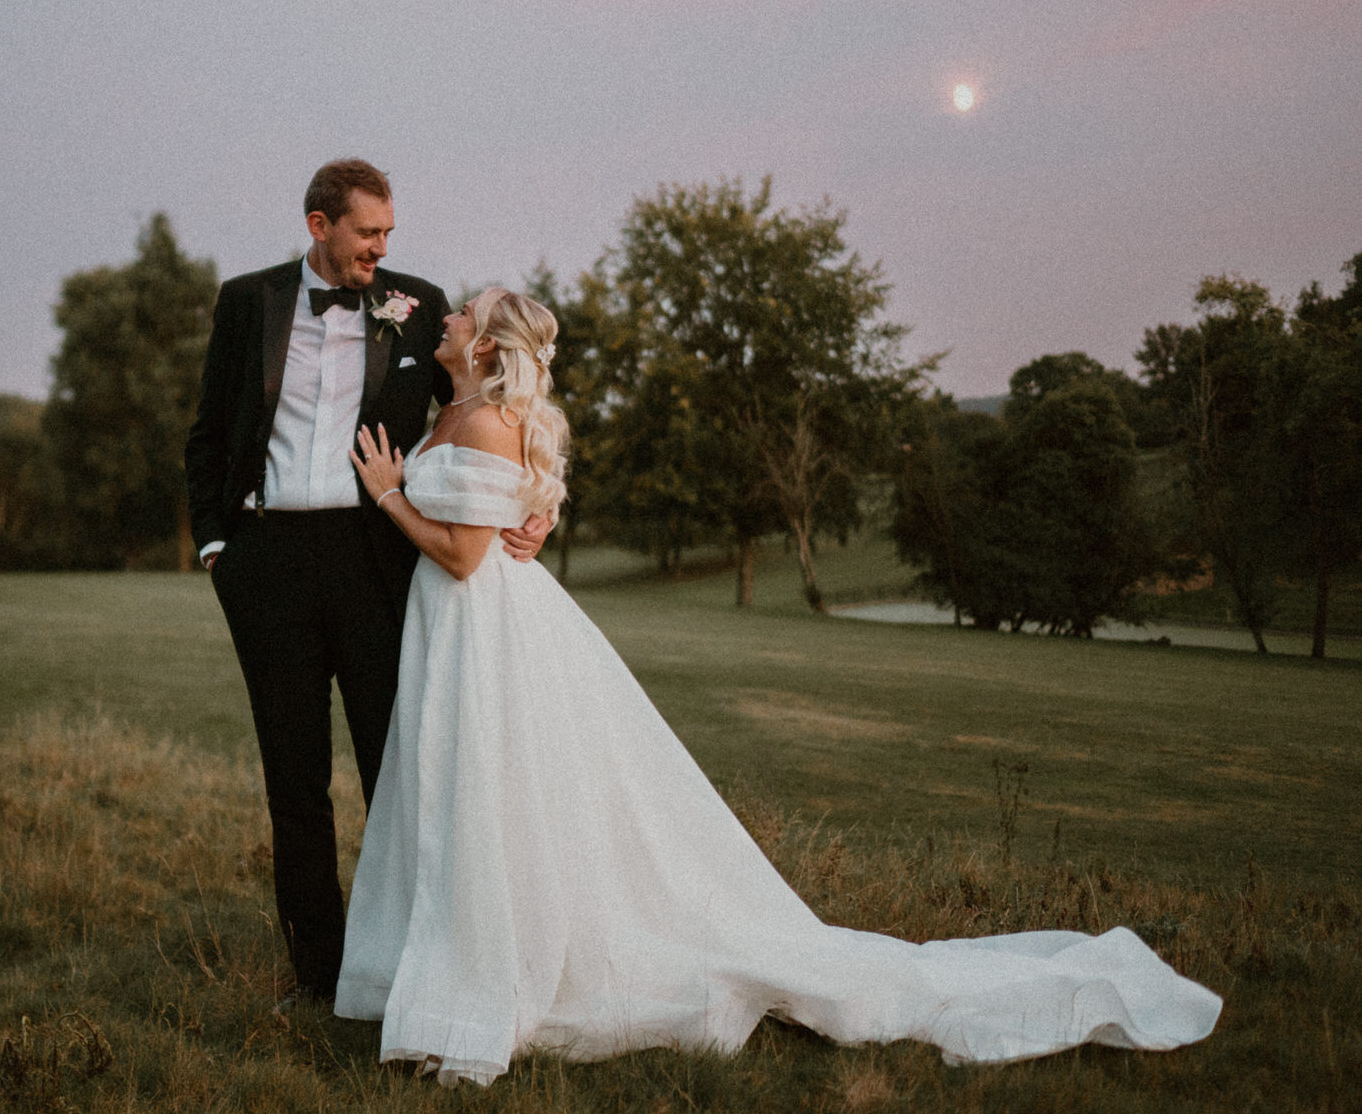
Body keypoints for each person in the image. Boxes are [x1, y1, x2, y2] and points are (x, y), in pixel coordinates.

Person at [335, 287, 1222, 1087]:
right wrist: (540, 498)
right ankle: (447, 964)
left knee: (490, 795)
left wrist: (388, 495)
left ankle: (490, 978)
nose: (446, 316)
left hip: (484, 630)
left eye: (464, 314)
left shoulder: (486, 424)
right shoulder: (458, 410)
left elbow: (462, 554)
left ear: (487, 346)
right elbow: (513, 492)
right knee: (458, 794)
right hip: (457, 633)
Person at [184, 161, 551, 1005]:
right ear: (320, 227)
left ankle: (418, 966)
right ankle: (319, 979)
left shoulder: (417, 305)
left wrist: (541, 504)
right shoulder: (248, 302)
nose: (382, 249)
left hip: (375, 561)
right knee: (295, 780)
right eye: (367, 234)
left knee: (400, 768)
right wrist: (216, 548)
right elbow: (208, 428)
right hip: (265, 563)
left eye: (388, 233)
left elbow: (505, 402)